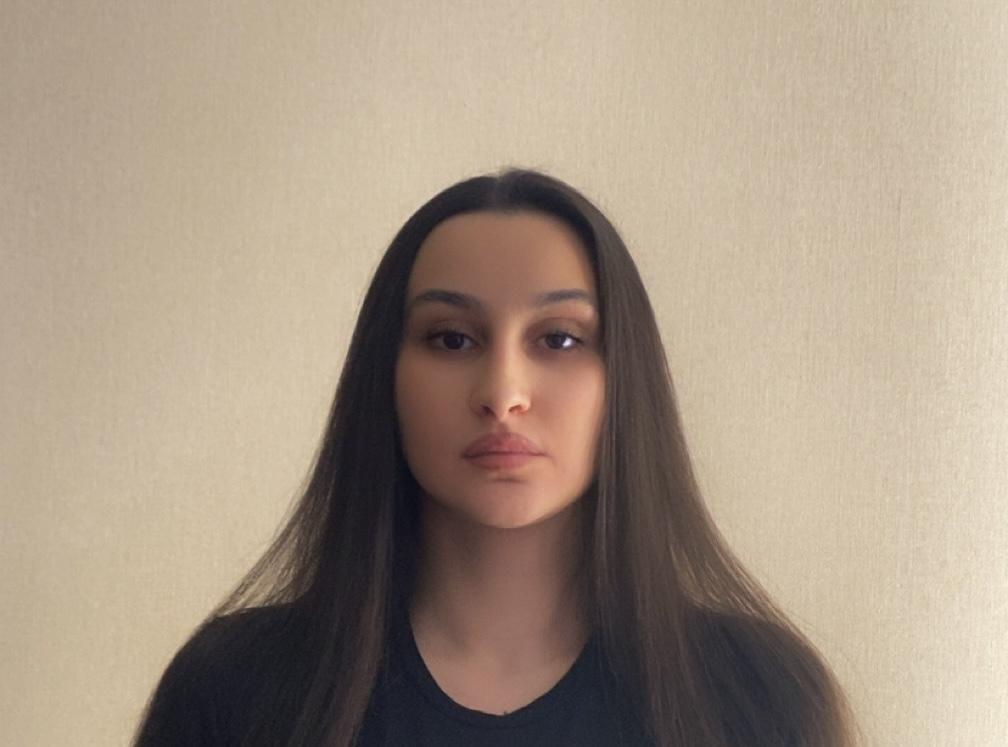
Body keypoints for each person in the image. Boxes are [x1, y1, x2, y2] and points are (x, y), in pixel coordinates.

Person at [133, 168, 859, 746]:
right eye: (452, 338)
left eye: (559, 339)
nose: (503, 392)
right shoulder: (235, 690)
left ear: (624, 379)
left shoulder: (758, 698)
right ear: (385, 376)